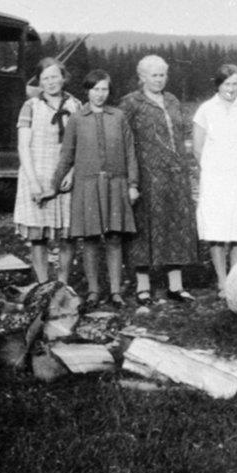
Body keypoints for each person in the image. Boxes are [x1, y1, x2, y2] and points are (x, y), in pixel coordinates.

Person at [51, 69, 139, 309]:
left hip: (115, 184)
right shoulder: (78, 119)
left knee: (113, 238)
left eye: (104, 89)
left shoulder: (118, 117)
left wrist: (132, 184)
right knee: (90, 239)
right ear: (87, 91)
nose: (100, 94)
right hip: (87, 186)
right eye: (96, 89)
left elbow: (130, 152)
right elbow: (66, 155)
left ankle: (115, 290)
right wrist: (53, 186)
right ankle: (93, 290)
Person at [120, 55, 202, 305]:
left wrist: (186, 167)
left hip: (175, 175)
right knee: (143, 229)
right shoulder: (131, 103)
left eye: (162, 75)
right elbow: (123, 140)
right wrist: (131, 179)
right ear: (142, 77)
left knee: (175, 227)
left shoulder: (172, 100)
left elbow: (180, 136)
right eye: (154, 75)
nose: (159, 79)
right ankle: (143, 287)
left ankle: (175, 286)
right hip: (146, 175)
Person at [194, 64, 237, 296]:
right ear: (218, 84)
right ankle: (222, 281)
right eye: (227, 84)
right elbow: (197, 148)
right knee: (217, 230)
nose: (231, 89)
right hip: (215, 178)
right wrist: (214, 171)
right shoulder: (206, 110)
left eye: (235, 84)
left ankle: (234, 281)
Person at [13, 58, 80, 284]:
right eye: (45, 79)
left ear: (63, 77)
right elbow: (23, 146)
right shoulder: (31, 106)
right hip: (37, 174)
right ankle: (43, 286)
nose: (51, 82)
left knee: (68, 235)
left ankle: (62, 284)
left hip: (66, 178)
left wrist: (71, 173)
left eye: (55, 77)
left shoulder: (76, 105)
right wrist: (33, 182)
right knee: (38, 237)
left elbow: (81, 145)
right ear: (39, 82)